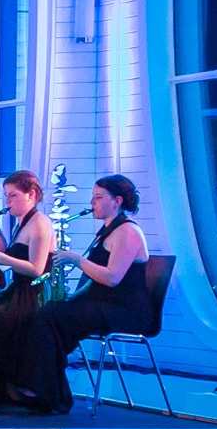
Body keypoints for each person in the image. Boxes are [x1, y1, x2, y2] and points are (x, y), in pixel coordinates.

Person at [13, 175, 153, 413]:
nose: (92, 203)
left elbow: (111, 278)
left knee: (48, 318)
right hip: (104, 304)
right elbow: (95, 282)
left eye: (98, 198)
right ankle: (47, 391)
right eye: (93, 197)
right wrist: (70, 298)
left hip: (126, 310)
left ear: (117, 201)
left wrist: (76, 260)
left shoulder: (128, 232)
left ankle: (49, 395)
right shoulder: (106, 231)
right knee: (44, 314)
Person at [0, 171, 56, 401]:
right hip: (17, 292)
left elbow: (36, 269)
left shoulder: (40, 224)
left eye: (13, 196)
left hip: (32, 296)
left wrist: (1, 258)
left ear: (32, 194)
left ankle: (5, 380)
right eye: (6, 196)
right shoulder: (22, 223)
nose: (8, 203)